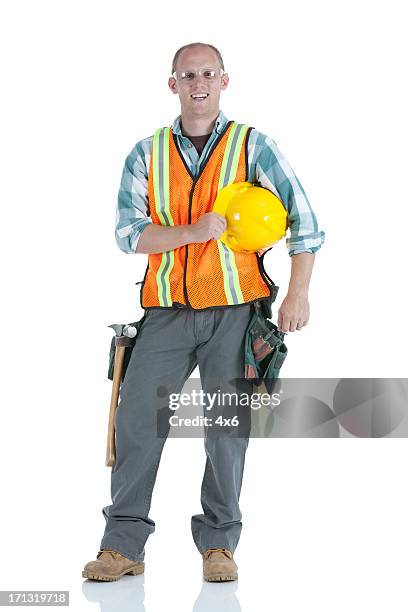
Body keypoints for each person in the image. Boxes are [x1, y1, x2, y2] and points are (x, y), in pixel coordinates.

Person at [82, 41, 325, 583]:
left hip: (237, 310)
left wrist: (297, 293)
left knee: (226, 427)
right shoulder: (147, 154)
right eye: (187, 74)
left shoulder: (253, 147)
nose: (198, 83)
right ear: (173, 84)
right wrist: (192, 232)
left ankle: (219, 543)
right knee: (137, 421)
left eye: (208, 73)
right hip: (166, 311)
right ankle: (122, 545)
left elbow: (305, 225)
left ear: (224, 81)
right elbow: (130, 235)